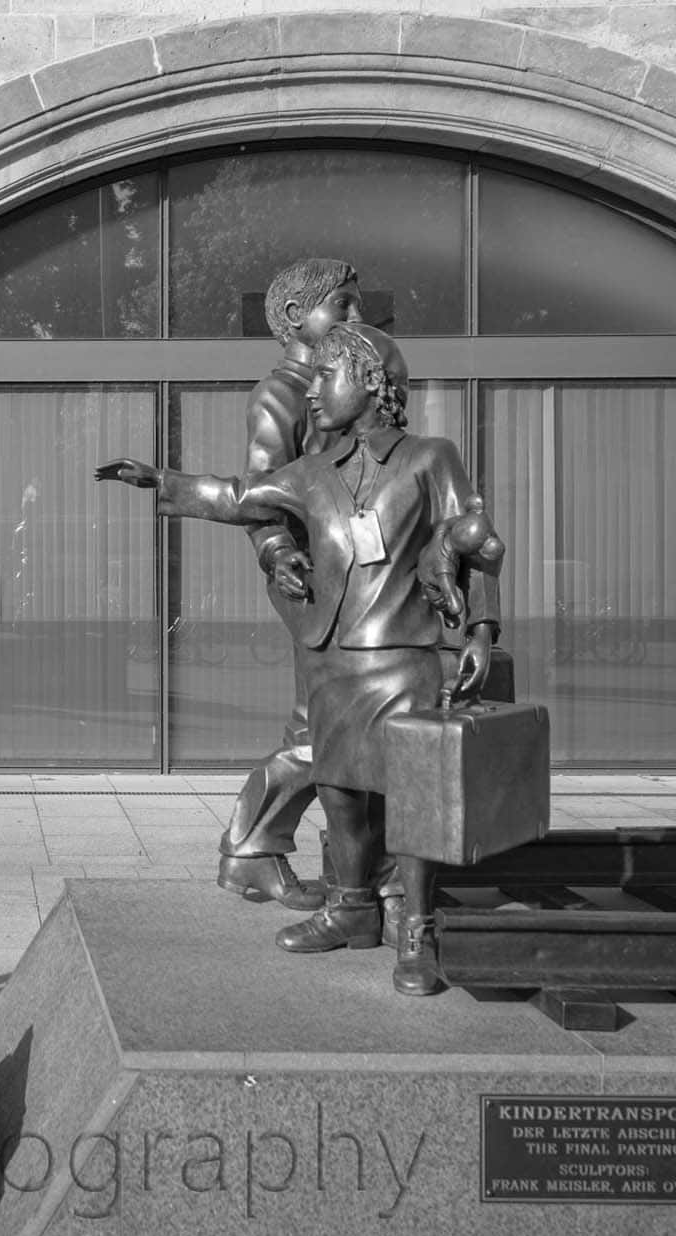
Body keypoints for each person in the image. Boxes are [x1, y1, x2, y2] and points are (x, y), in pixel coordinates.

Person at [155, 323, 499, 996]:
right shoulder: (314, 471)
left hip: (402, 660)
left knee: (410, 799)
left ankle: (418, 928)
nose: (311, 391)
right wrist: (163, 482)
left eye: (325, 376)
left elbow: (477, 538)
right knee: (340, 795)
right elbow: (241, 496)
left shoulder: (430, 458)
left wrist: (481, 629)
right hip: (333, 662)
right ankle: (352, 908)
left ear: (369, 383)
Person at [95, 259, 363, 910]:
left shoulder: (350, 385)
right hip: (312, 580)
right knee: (326, 725)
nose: (357, 318)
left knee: (338, 721)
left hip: (362, 579)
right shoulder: (284, 395)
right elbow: (262, 494)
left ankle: (309, 857)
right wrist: (277, 551)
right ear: (296, 318)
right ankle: (260, 849)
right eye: (344, 305)